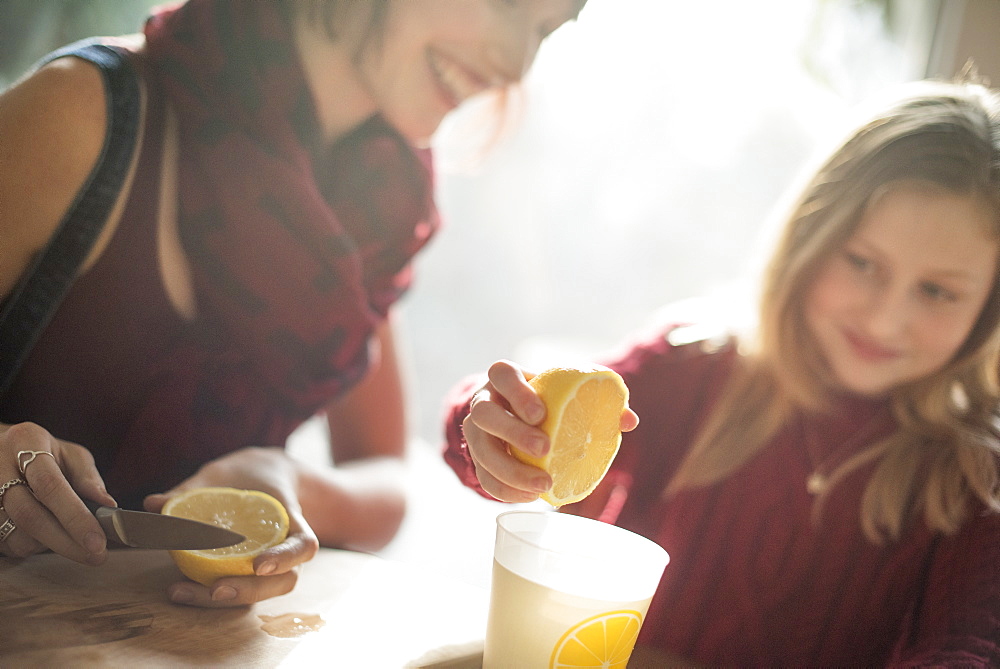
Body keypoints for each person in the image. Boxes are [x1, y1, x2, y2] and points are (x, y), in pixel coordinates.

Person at [0, 0, 587, 608]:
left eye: (546, 29)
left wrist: (289, 482)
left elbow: (382, 477)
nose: (516, 63)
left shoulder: (377, 204)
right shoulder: (79, 110)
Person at [444, 78, 1000, 666]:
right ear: (808, 237)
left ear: (988, 311)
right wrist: (498, 429)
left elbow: (970, 646)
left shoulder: (976, 482)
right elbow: (510, 432)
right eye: (862, 263)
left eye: (937, 292)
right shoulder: (692, 369)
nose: (887, 320)